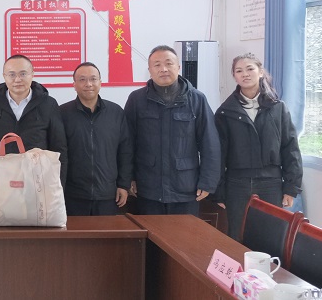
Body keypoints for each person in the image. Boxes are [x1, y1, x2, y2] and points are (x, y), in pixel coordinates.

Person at [214, 53, 303, 240]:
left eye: (250, 69)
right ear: (234, 76)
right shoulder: (224, 112)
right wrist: (218, 191)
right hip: (237, 184)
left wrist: (291, 187)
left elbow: (290, 148)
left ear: (260, 72)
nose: (245, 74)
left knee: (270, 237)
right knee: (237, 235)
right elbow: (218, 155)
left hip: (271, 183)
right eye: (239, 71)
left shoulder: (277, 108)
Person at [124, 45, 220, 215]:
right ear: (150, 70)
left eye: (169, 63)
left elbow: (210, 143)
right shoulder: (137, 99)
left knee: (185, 233)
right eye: (157, 65)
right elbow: (127, 143)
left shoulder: (197, 99)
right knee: (151, 232)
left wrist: (207, 182)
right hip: (148, 187)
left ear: (178, 67)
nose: (163, 69)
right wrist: (128, 177)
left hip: (186, 188)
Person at [0, 55, 67, 183]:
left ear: (32, 74)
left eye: (23, 74)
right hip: (2, 182)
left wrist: (59, 185)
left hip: (38, 182)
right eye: (12, 75)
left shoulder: (49, 104)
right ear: (4, 76)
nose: (17, 79)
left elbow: (59, 148)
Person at [60, 62, 133, 216]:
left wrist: (123, 184)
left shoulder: (115, 112)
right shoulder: (62, 113)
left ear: (100, 82)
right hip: (72, 195)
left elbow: (125, 151)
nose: (88, 84)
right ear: (74, 85)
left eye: (93, 79)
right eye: (82, 79)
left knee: (105, 232)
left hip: (108, 195)